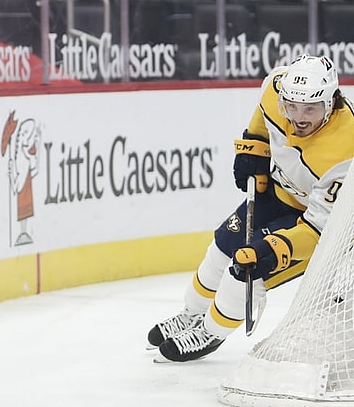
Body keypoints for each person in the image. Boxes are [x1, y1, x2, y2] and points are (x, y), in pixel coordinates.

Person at [147, 54, 354, 362]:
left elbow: (320, 229)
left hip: (319, 228)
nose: (299, 118)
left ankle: (210, 332)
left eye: (310, 109)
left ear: (331, 102)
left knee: (246, 271)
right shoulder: (275, 87)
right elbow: (263, 116)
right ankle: (192, 314)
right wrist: (254, 146)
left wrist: (273, 249)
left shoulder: (346, 149)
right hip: (278, 193)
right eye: (292, 106)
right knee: (222, 246)